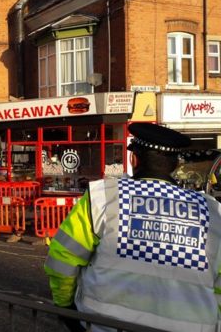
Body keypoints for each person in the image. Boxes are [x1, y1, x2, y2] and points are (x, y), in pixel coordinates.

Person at [45, 123, 221, 332]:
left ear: (133, 159)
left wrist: (66, 307)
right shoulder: (212, 210)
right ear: (175, 165)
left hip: (106, 326)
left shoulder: (103, 196)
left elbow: (62, 258)